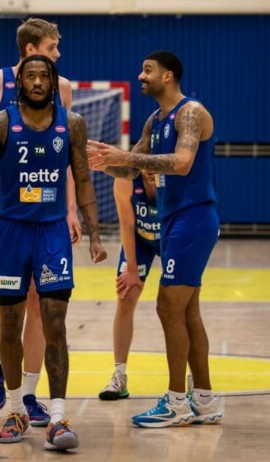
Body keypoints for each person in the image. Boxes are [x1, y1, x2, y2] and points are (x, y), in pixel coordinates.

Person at [0, 55, 107, 450]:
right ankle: (16, 412)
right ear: (20, 82)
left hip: (51, 233)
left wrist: (95, 234)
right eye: (31, 76)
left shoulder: (72, 124)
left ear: (53, 82)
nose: (39, 81)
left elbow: (83, 179)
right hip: (9, 232)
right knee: (10, 325)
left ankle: (58, 419)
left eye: (45, 76)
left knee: (54, 323)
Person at [0, 17, 81, 426]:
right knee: (8, 296)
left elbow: (65, 155)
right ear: (31, 50)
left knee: (42, 301)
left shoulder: (62, 88)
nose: (58, 53)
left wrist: (72, 208)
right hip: (6, 202)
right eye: (53, 46)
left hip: (49, 204)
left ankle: (30, 393)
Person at [87, 51, 223, 428]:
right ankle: (205, 400)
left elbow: (182, 163)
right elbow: (129, 169)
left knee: (168, 306)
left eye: (148, 70)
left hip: (193, 219)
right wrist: (102, 161)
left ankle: (176, 401)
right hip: (175, 220)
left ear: (168, 75)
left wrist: (126, 159)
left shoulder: (190, 113)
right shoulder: (154, 120)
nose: (140, 76)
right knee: (187, 311)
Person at [98, 171, 161, 401]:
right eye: (146, 165)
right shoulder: (125, 178)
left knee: (178, 303)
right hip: (140, 240)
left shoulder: (173, 175)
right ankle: (119, 376)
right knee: (125, 296)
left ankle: (191, 379)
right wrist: (132, 270)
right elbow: (126, 224)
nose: (151, 171)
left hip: (172, 237)